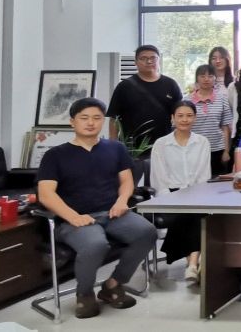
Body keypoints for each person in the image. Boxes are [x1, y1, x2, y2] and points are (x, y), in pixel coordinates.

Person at [36, 98, 158, 319]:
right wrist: (73, 216)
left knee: (147, 232)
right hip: (74, 220)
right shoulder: (55, 155)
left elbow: (127, 181)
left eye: (96, 118)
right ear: (72, 122)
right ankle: (84, 294)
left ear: (103, 121)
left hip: (112, 213)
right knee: (95, 244)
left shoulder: (115, 148)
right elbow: (46, 194)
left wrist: (122, 201)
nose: (91, 123)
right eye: (84, 118)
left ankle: (113, 284)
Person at [149, 101, 211, 283]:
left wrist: (196, 196)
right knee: (188, 214)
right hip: (170, 195)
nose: (185, 119)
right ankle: (195, 263)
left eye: (189, 115)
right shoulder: (161, 144)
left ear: (195, 118)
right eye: (180, 116)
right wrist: (172, 199)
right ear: (172, 118)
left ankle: (191, 265)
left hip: (197, 193)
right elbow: (158, 178)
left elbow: (203, 175)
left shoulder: (202, 142)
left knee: (194, 212)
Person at [106, 45, 182, 156]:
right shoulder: (124, 86)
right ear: (135, 62)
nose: (149, 61)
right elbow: (114, 119)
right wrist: (113, 146)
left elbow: (180, 115)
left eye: (153, 58)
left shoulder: (171, 84)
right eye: (143, 58)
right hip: (132, 149)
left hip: (164, 146)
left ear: (159, 60)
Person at [186, 64, 233, 176]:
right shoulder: (187, 100)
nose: (206, 79)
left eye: (210, 76)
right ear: (197, 78)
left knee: (217, 182)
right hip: (194, 149)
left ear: (215, 78)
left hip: (217, 149)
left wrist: (226, 151)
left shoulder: (222, 99)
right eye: (202, 76)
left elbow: (225, 127)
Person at [208, 46, 238, 130]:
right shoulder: (205, 82)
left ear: (227, 59)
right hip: (211, 124)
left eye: (221, 57)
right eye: (214, 58)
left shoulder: (235, 81)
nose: (218, 61)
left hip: (231, 124)